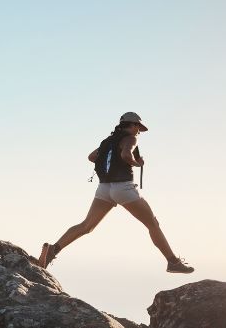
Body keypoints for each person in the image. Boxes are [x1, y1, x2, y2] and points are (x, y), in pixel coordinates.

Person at [37, 112, 194, 273]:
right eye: (138, 127)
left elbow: (91, 157)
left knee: (86, 226)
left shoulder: (108, 141)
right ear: (132, 125)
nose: (139, 131)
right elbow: (126, 154)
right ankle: (173, 262)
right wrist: (137, 163)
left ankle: (53, 250)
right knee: (153, 224)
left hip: (104, 188)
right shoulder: (131, 139)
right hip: (123, 187)